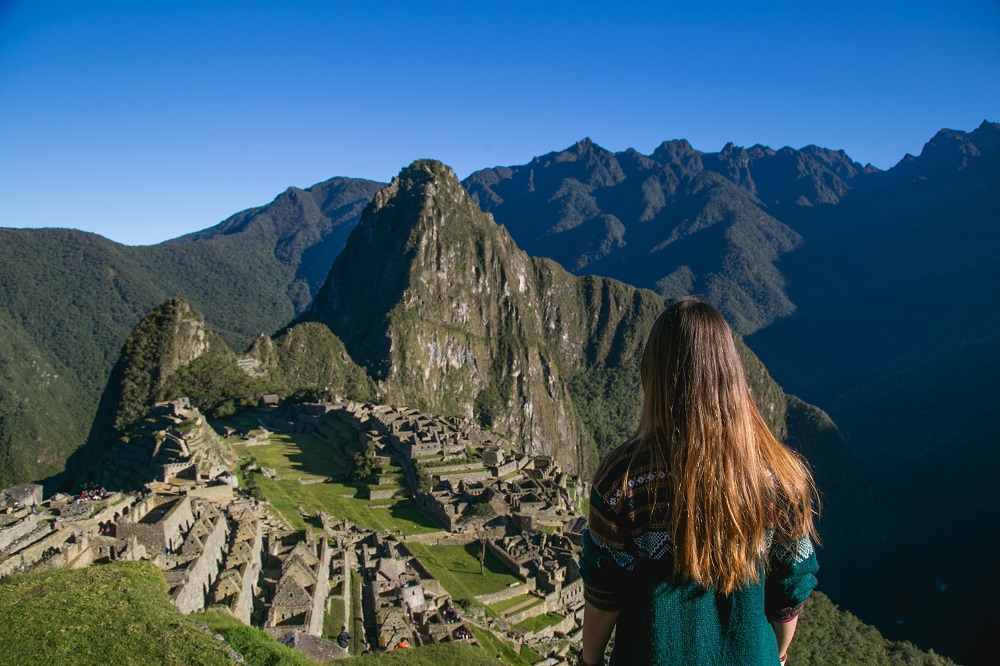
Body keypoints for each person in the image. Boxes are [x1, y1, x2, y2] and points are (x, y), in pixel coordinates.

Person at [579, 298, 819, 666]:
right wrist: (778, 654)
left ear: (654, 376)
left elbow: (604, 596)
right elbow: (791, 589)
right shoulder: (780, 479)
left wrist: (589, 660)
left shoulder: (624, 482)